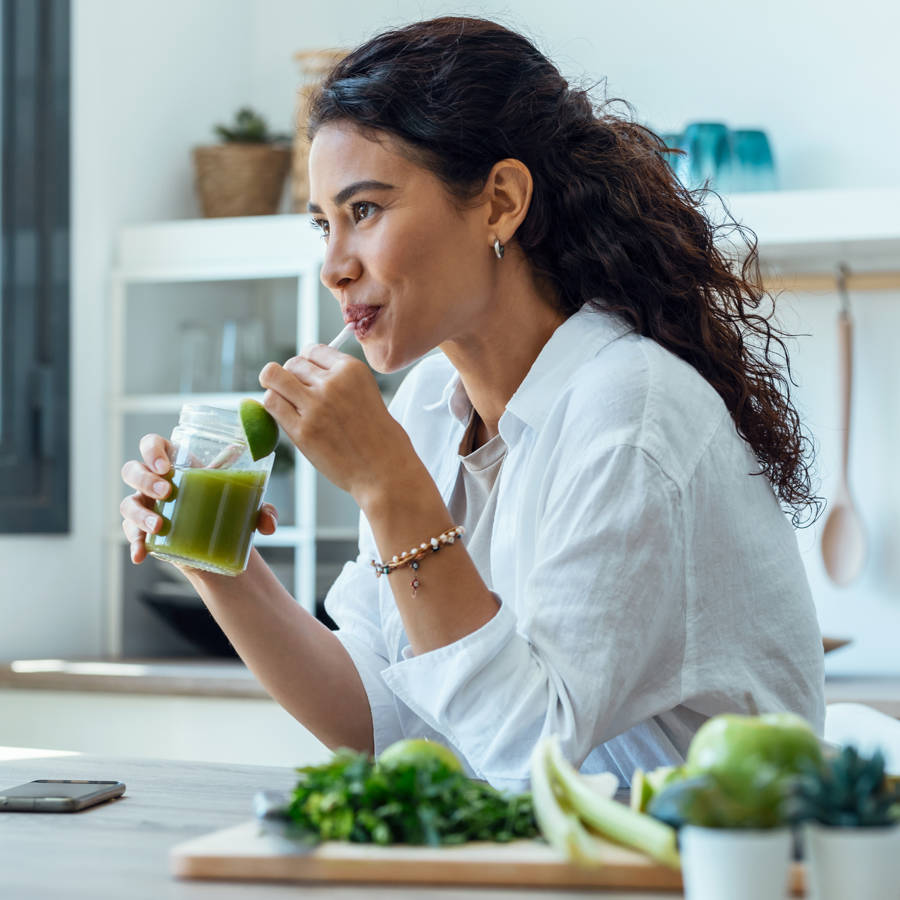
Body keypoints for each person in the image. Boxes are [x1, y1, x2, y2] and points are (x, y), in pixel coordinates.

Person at [120, 16, 825, 792]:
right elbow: (380, 718)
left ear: (499, 203)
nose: (334, 267)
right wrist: (216, 559)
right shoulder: (428, 404)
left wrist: (390, 489)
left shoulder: (631, 416)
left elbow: (533, 762)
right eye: (324, 224)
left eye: (365, 211)